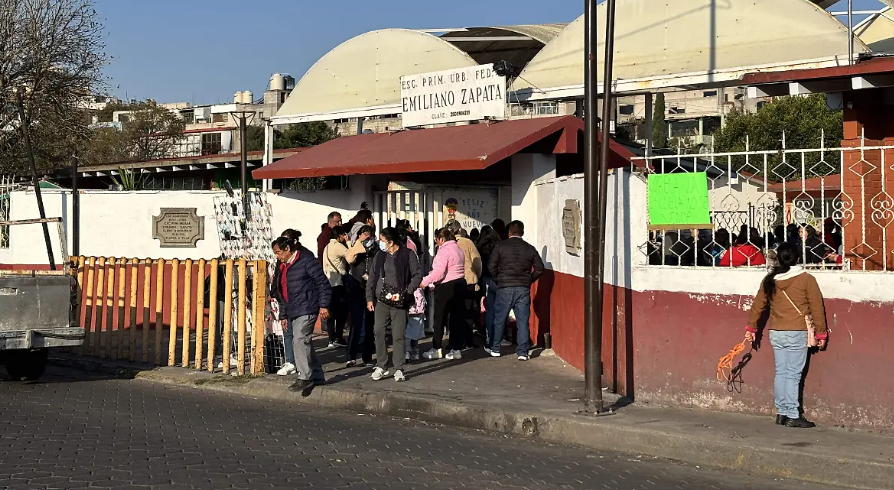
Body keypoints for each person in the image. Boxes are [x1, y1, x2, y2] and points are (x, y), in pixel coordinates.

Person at [744, 242, 828, 428]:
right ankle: (792, 413)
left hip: (776, 332)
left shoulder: (770, 279)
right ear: (797, 257)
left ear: (779, 258)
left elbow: (758, 305)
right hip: (797, 331)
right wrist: (821, 333)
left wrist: (751, 328)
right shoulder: (806, 279)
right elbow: (816, 307)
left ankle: (781, 412)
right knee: (793, 374)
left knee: (781, 372)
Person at [270, 235, 332, 393]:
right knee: (305, 343)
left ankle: (304, 377)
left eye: (278, 252)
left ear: (288, 249)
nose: (277, 256)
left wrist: (324, 305)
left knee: (299, 340)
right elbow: (281, 292)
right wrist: (283, 315)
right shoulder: (282, 265)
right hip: (292, 309)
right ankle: (317, 374)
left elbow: (322, 282)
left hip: (307, 307)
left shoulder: (306, 260)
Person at [366, 227, 422, 382]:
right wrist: (369, 298)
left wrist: (408, 291)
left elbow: (417, 275)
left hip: (400, 302)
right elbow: (372, 278)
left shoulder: (408, 254)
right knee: (378, 332)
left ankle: (398, 368)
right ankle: (381, 365)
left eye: (383, 240)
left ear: (391, 242)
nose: (380, 243)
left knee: (398, 336)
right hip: (382, 300)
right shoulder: (380, 256)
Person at [488, 220, 544, 361]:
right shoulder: (530, 248)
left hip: (505, 286)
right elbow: (540, 268)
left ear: (509, 232)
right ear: (522, 232)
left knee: (500, 318)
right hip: (523, 288)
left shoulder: (501, 246)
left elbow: (491, 266)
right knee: (522, 321)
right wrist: (529, 279)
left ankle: (495, 348)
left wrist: (498, 279)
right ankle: (522, 352)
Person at [420, 228, 467, 360]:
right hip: (460, 283)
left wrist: (424, 281)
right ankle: (456, 349)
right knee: (456, 318)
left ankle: (436, 348)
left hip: (446, 287)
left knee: (439, 319)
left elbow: (439, 272)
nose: (436, 243)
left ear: (441, 239)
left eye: (436, 240)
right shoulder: (458, 249)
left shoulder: (443, 251)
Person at [322, 225, 365, 348]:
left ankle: (331, 339)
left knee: (331, 312)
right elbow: (351, 257)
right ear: (339, 236)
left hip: (328, 282)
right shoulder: (338, 246)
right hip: (337, 283)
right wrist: (348, 242)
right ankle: (338, 337)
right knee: (342, 311)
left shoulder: (327, 247)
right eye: (344, 235)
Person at [447, 220, 483, 348]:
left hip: (452, 283)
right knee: (468, 313)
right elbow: (477, 261)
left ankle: (454, 341)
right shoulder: (467, 242)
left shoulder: (445, 244)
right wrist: (476, 275)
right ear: (460, 230)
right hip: (468, 281)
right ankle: (468, 341)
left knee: (454, 313)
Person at [345, 225, 376, 367]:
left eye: (368, 235)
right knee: (356, 322)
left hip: (371, 289)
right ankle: (351, 355)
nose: (366, 237)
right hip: (356, 287)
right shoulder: (355, 247)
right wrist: (358, 242)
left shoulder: (376, 249)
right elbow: (349, 259)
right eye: (363, 234)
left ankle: (367, 355)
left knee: (370, 323)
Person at [274, 229, 302, 376]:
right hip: (284, 297)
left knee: (300, 335)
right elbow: (277, 276)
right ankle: (291, 361)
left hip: (299, 300)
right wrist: (274, 292)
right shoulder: (281, 258)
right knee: (287, 331)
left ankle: (302, 363)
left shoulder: (303, 257)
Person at [476, 226, 501, 346]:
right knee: (499, 308)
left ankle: (489, 336)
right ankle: (499, 336)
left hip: (485, 278)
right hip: (498, 279)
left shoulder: (479, 247)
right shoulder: (499, 246)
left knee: (489, 308)